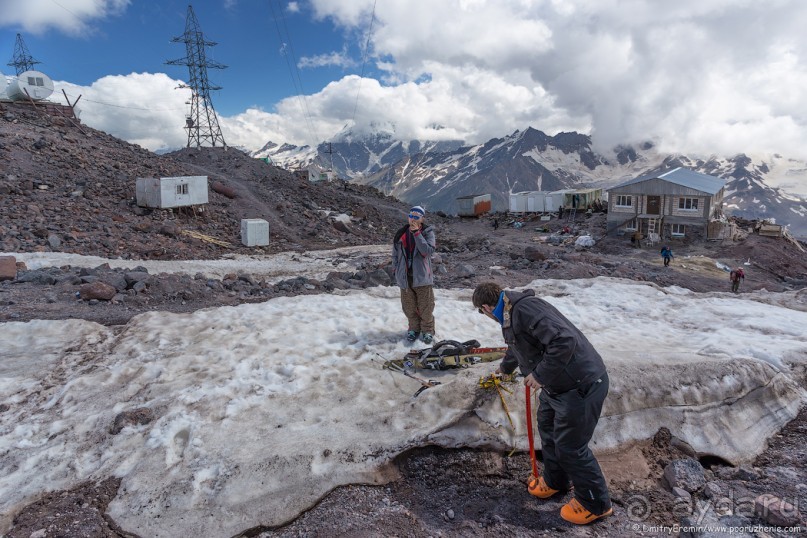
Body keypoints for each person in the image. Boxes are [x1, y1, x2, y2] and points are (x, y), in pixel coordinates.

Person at [472, 282, 612, 525]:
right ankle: (557, 481)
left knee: (571, 447)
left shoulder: (524, 310)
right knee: (548, 431)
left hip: (581, 384)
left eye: (480, 312)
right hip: (558, 387)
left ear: (485, 307)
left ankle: (596, 504)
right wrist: (505, 370)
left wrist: (539, 375)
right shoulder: (510, 312)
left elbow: (564, 341)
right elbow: (518, 346)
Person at [392, 206, 436, 343]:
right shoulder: (401, 233)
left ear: (422, 219)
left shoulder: (427, 232)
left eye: (417, 217)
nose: (413, 219)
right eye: (411, 216)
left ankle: (427, 330)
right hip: (405, 276)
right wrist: (395, 270)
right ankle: (414, 328)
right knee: (408, 305)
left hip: (422, 276)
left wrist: (417, 233)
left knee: (426, 306)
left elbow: (427, 251)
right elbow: (395, 254)